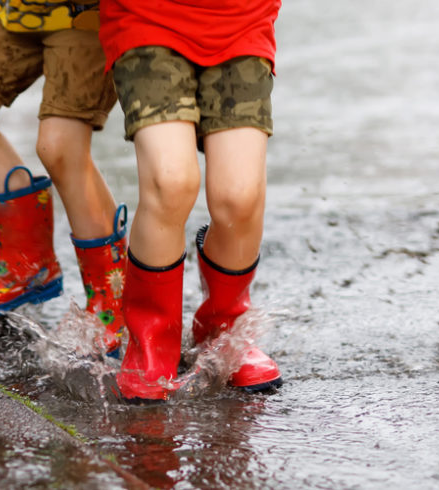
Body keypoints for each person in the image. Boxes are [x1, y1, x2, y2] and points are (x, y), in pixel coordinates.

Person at [98, 0, 284, 401]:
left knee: (240, 198)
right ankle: (151, 343)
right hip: (146, 18)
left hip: (240, 20)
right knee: (171, 182)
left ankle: (224, 331)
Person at [0, 0, 127, 356]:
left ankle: (113, 299)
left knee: (60, 147)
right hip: (21, 7)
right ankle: (27, 266)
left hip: (87, 14)